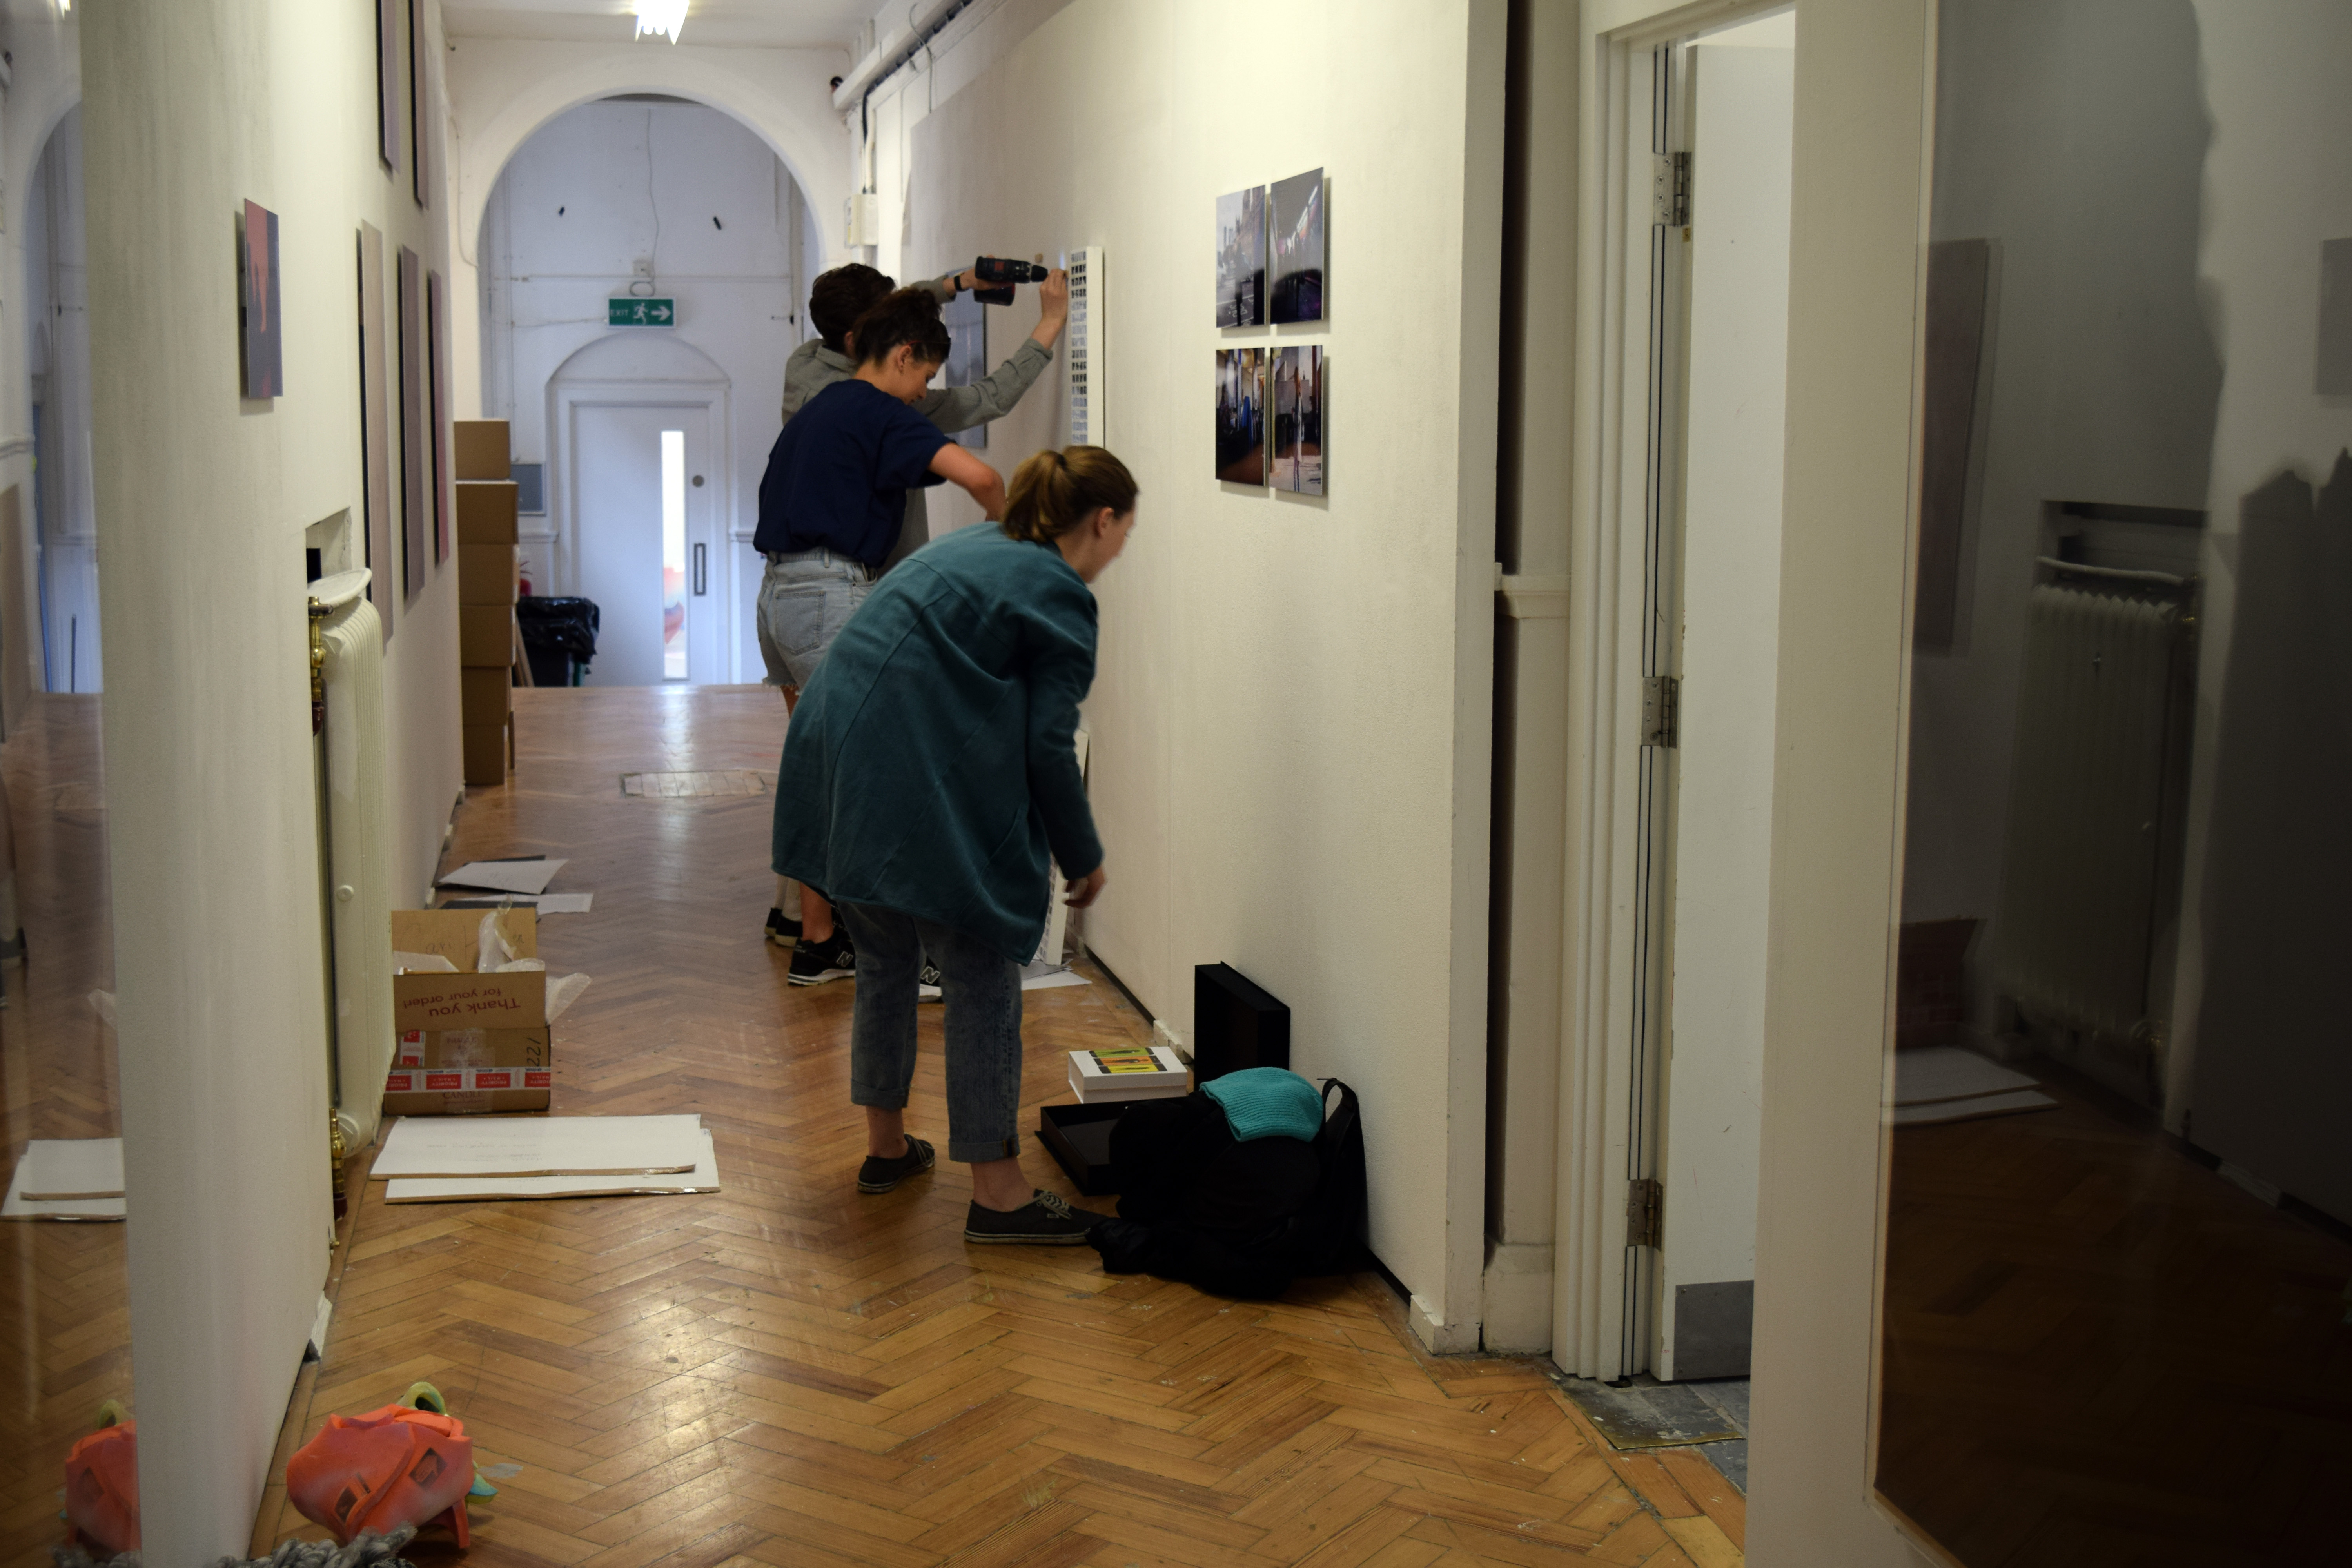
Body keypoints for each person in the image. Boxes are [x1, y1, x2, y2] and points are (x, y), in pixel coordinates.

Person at [773, 446, 1137, 1243]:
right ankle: (1000, 1197)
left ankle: (887, 1148)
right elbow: (1048, 747)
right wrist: (1084, 855)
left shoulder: (975, 544)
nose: (1118, 554)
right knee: (981, 970)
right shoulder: (1060, 595)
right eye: (1122, 536)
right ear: (1102, 521)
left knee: (885, 955)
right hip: (897, 770)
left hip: (832, 755)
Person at [762, 262, 1069, 953]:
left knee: (824, 764)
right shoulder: (883, 411)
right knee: (884, 769)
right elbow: (984, 472)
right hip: (831, 597)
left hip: (780, 597)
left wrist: (955, 285)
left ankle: (815, 935)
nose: (927, 391)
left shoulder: (815, 388)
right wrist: (1016, 542)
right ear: (899, 354)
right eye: (926, 376)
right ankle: (897, 946)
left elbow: (896, 322)